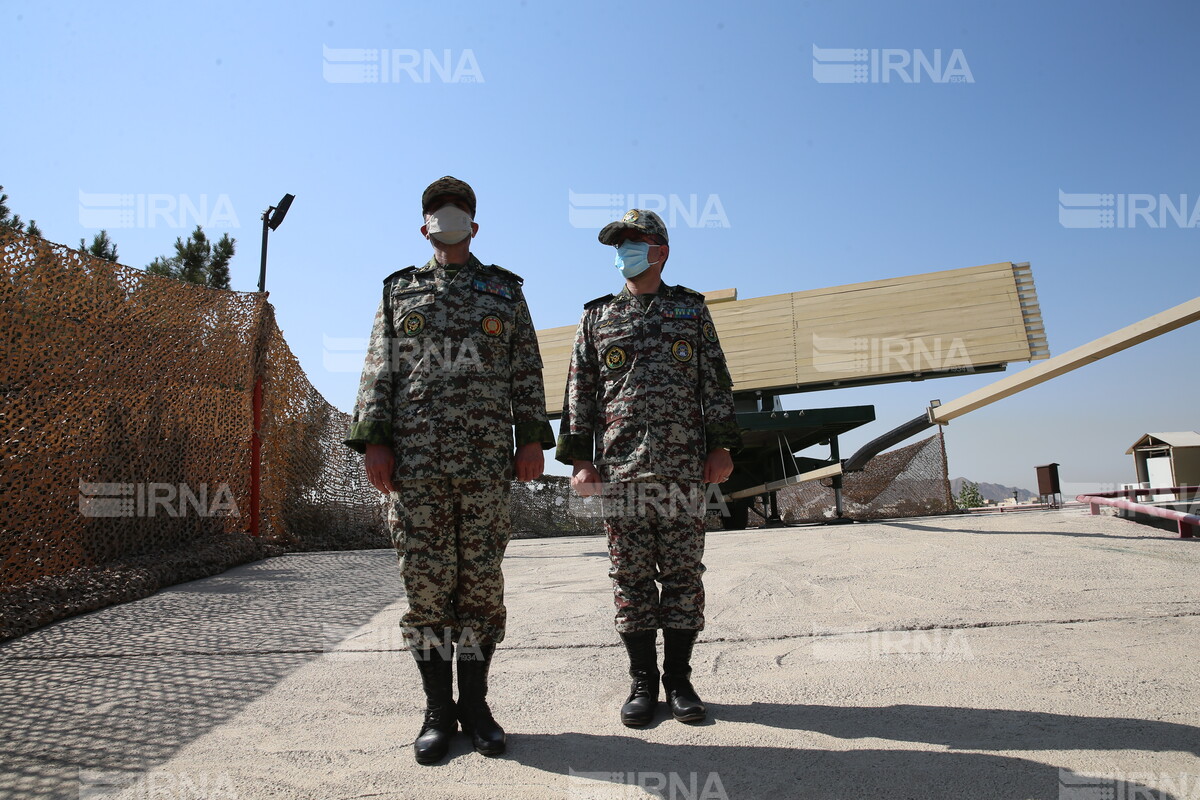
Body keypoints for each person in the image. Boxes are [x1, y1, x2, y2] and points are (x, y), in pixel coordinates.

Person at [345, 176, 554, 764]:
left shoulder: (504, 292)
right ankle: (438, 713)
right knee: (428, 588)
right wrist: (375, 442)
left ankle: (477, 708)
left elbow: (526, 369)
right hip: (417, 465)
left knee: (481, 588)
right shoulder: (399, 292)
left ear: (474, 224)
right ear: (424, 225)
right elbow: (377, 371)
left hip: (485, 465)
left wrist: (532, 439)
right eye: (438, 211)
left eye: (457, 210)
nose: (447, 218)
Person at [556, 209, 741, 727]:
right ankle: (641, 682)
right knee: (631, 577)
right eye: (619, 246)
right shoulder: (596, 317)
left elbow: (715, 384)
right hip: (621, 471)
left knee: (683, 575)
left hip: (684, 469)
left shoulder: (691, 312)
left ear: (659, 250)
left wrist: (722, 447)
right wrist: (580, 461)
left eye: (633, 244)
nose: (623, 254)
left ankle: (678, 680)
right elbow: (580, 394)